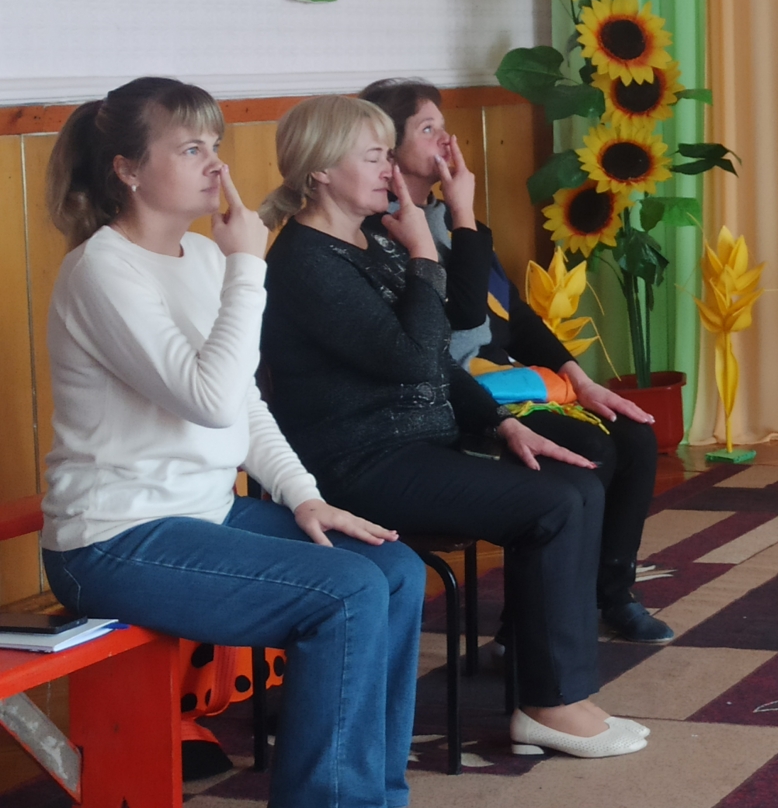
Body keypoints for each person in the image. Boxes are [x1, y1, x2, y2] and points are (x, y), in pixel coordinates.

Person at [39, 78, 422, 807]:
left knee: (395, 571)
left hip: (204, 513)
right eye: (190, 148)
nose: (216, 163)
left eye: (215, 144)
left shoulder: (205, 257)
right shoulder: (102, 270)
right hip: (112, 540)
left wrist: (304, 497)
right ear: (127, 169)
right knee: (344, 595)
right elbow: (208, 399)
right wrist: (251, 265)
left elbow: (243, 405)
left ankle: (377, 796)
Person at [257, 95, 648, 759]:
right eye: (374, 157)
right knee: (554, 504)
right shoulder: (305, 263)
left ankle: (562, 694)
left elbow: (435, 359)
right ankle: (550, 704)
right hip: (358, 464)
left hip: (416, 443)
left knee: (577, 486)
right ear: (320, 171)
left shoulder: (368, 240)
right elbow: (413, 358)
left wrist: (501, 425)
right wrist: (424, 256)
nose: (390, 171)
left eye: (388, 155)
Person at [360, 78, 672, 643]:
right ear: (389, 149)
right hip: (452, 395)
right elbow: (458, 317)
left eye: (443, 125)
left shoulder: (452, 219)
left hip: (504, 377)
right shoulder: (383, 232)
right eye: (427, 129)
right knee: (593, 448)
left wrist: (582, 381)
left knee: (633, 434)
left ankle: (610, 593)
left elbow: (515, 317)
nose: (446, 140)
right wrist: (462, 214)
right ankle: (528, 624)